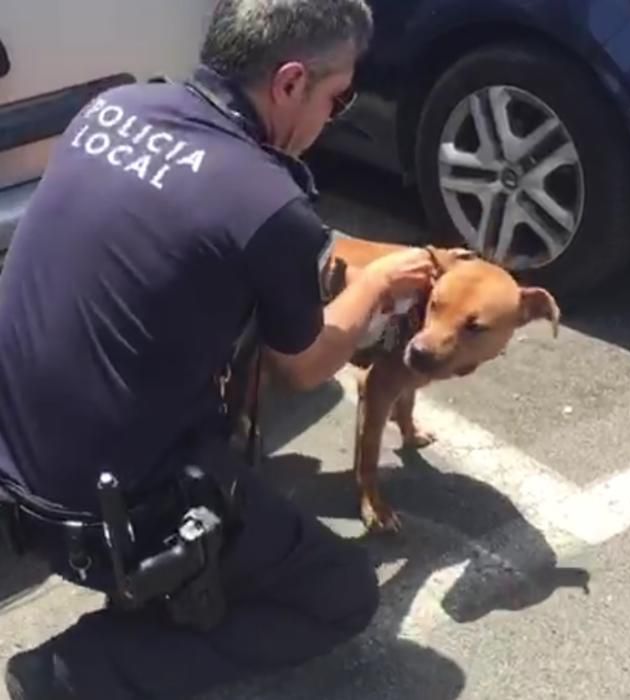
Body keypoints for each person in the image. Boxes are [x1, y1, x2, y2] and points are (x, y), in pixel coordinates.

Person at [0, 0, 435, 698]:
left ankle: (164, 599)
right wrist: (377, 282)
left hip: (16, 475)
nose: (334, 113)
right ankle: (75, 676)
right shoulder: (266, 203)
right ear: (291, 82)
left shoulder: (115, 107)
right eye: (337, 94)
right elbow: (304, 365)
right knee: (340, 591)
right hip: (105, 520)